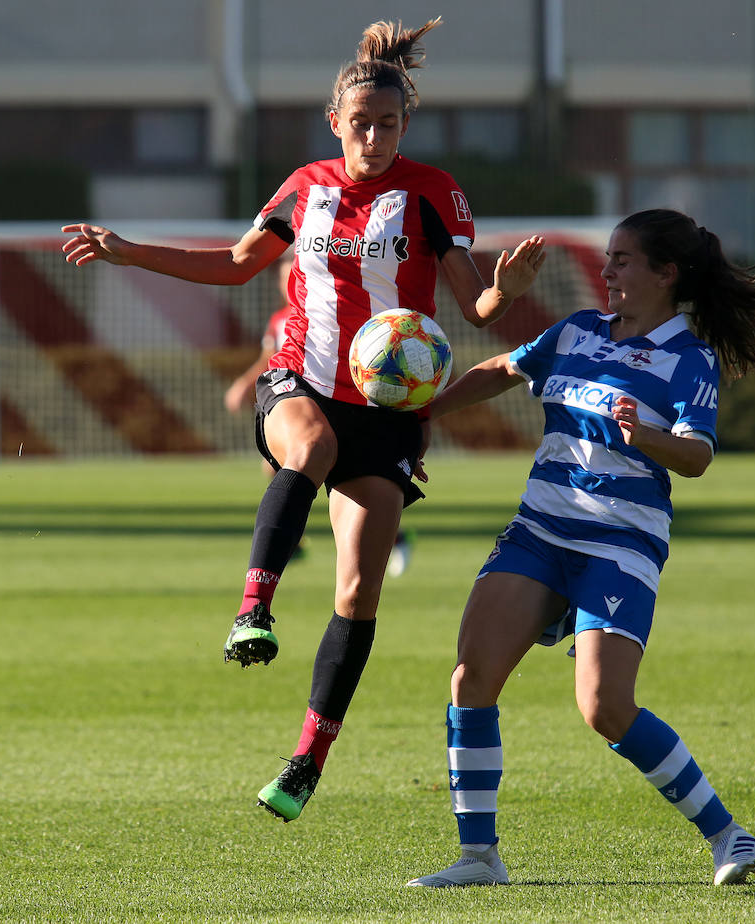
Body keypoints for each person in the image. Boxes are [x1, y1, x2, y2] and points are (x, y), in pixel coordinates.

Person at [62, 16, 546, 823]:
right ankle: (254, 608)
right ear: (336, 124)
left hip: (390, 410)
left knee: (359, 591)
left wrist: (510, 289)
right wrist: (129, 251)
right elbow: (236, 264)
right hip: (303, 379)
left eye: (389, 124)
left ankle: (306, 761)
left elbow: (477, 306)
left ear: (404, 126)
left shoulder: (432, 193)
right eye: (362, 123)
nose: (376, 136)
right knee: (309, 444)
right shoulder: (305, 185)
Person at [405, 209, 755, 888]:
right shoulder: (577, 332)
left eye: (622, 259)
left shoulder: (688, 357)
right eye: (609, 258)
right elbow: (500, 368)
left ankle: (732, 838)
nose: (608, 271)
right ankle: (479, 859)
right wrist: (417, 419)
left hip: (619, 544)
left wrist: (644, 436)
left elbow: (697, 455)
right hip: (538, 530)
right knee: (470, 679)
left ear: (664, 274)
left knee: (604, 707)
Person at [224, 256, 417, 575]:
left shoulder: (334, 316)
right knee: (281, 467)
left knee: (342, 485)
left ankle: (394, 538)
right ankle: (292, 543)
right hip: (301, 405)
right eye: (284, 279)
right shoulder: (278, 321)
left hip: (340, 407)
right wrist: (244, 386)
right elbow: (267, 359)